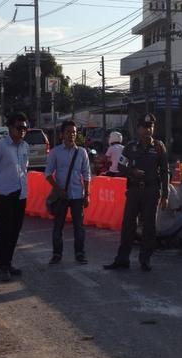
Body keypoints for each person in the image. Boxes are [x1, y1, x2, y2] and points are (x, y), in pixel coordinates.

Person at [103, 113, 169, 272]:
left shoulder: (159, 147)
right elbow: (120, 166)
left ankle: (145, 260)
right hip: (133, 190)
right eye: (145, 127)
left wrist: (165, 195)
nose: (148, 130)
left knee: (149, 227)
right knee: (128, 226)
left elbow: (165, 171)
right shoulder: (130, 147)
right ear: (138, 129)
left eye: (151, 127)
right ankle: (122, 259)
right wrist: (132, 171)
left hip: (151, 190)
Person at [0, 112, 30, 282]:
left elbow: (25, 170)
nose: (23, 131)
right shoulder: (1, 146)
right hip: (3, 194)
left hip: (20, 194)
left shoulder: (25, 146)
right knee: (4, 231)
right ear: (10, 128)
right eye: (19, 127)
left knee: (15, 230)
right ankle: (2, 266)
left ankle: (9, 262)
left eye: (25, 127)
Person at [45, 120, 92, 265]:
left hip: (78, 195)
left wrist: (87, 194)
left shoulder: (82, 152)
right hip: (61, 197)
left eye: (74, 132)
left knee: (79, 227)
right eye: (68, 132)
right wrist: (59, 190)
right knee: (58, 226)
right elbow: (47, 174)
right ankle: (57, 254)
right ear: (61, 135)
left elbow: (86, 174)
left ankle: (80, 253)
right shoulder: (55, 152)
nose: (72, 135)